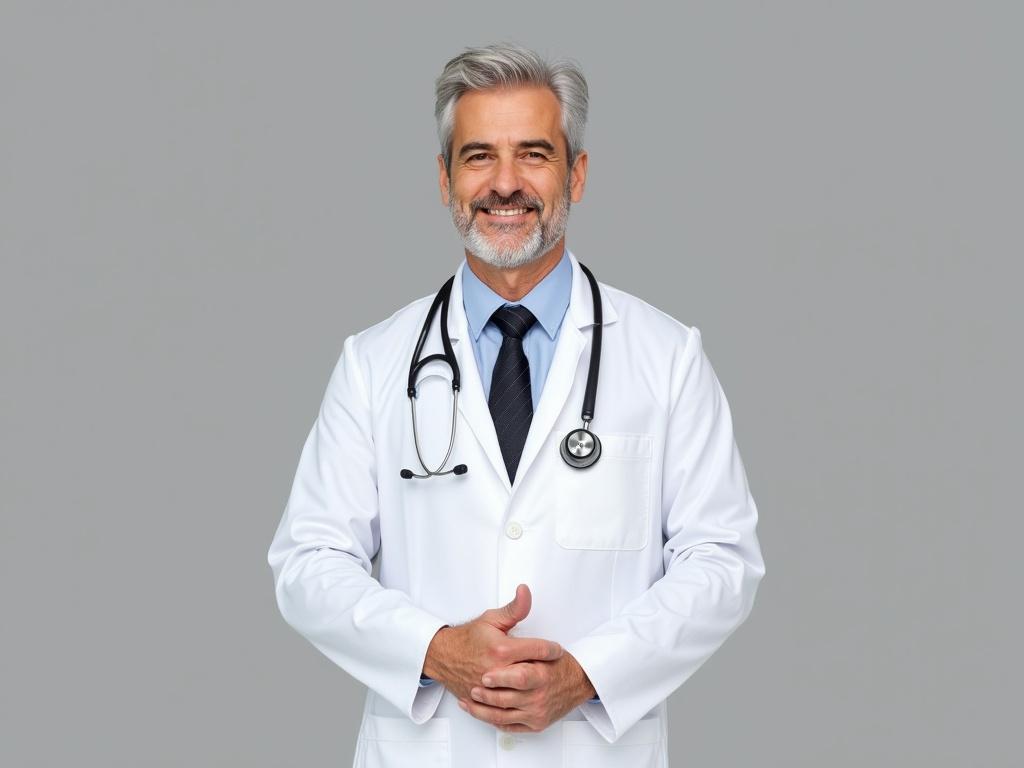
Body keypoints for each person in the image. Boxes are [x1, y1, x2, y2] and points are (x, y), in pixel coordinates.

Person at [267, 42, 765, 768]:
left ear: (578, 174)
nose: (505, 184)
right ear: (444, 179)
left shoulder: (667, 358)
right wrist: (436, 652)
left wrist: (590, 674)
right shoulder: (374, 363)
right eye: (477, 157)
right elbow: (308, 563)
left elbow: (722, 560)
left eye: (533, 154)